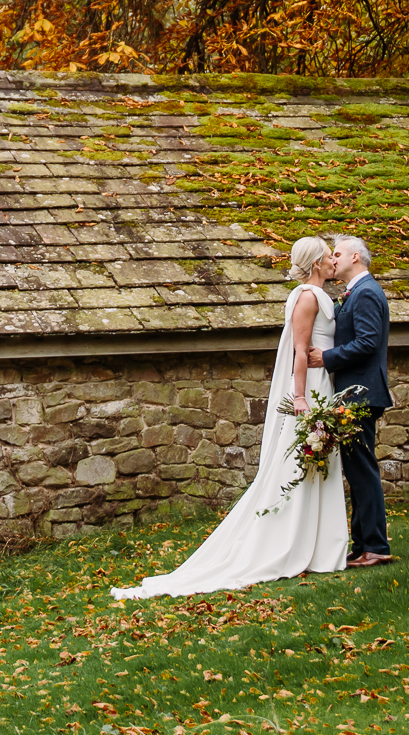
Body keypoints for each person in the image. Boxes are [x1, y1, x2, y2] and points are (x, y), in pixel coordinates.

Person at [110, 236, 351, 599]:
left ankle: (320, 546)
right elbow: (300, 352)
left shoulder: (321, 296)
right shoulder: (306, 296)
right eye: (328, 256)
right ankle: (289, 542)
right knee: (301, 461)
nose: (334, 260)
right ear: (316, 263)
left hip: (324, 384)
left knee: (319, 461)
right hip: (310, 388)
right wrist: (299, 397)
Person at [310, 234, 396, 567]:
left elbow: (368, 343)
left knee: (362, 470)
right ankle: (363, 544)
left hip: (361, 394)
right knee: (357, 469)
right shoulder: (357, 292)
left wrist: (327, 357)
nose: (333, 259)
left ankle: (376, 546)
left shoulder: (366, 293)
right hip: (355, 393)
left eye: (338, 253)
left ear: (355, 258)